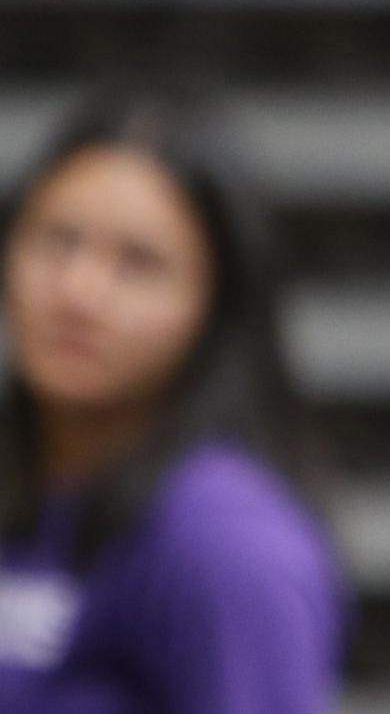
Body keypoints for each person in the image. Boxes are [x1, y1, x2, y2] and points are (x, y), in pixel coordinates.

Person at [0, 88, 345, 714]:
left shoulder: (229, 548)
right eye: (57, 240)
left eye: (138, 263)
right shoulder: (27, 493)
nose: (78, 291)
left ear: (213, 307)